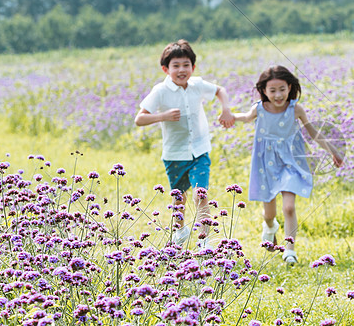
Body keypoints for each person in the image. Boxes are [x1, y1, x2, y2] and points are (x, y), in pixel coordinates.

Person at [232, 65, 343, 264]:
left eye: (282, 89)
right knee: (269, 213)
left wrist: (332, 150)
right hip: (265, 163)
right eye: (272, 90)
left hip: (292, 161)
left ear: (290, 87)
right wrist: (230, 117)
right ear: (264, 91)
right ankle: (270, 226)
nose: (278, 95)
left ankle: (289, 249)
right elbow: (245, 117)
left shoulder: (295, 109)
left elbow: (313, 133)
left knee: (289, 207)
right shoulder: (259, 108)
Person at [135, 39, 235, 245]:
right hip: (174, 154)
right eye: (176, 66)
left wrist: (226, 109)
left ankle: (205, 241)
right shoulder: (160, 91)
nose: (182, 70)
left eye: (186, 65)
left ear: (193, 67)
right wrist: (162, 116)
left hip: (200, 150)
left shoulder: (197, 84)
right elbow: (140, 119)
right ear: (165, 69)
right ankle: (180, 232)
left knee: (201, 194)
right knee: (179, 198)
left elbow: (220, 90)